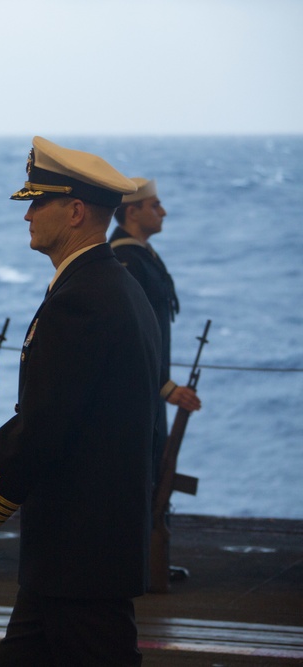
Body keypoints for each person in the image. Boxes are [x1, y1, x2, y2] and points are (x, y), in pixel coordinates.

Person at [0, 137, 162, 666]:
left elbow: (42, 423)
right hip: (75, 551)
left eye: (39, 203)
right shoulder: (116, 286)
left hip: (80, 551)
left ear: (77, 211)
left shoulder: (82, 298)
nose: (28, 215)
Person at [111, 177, 202, 586]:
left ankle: (146, 558)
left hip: (151, 390)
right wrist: (166, 387)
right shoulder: (125, 260)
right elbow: (132, 337)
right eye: (155, 205)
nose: (162, 211)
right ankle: (135, 562)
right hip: (134, 393)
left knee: (154, 471)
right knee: (136, 477)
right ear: (132, 211)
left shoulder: (142, 257)